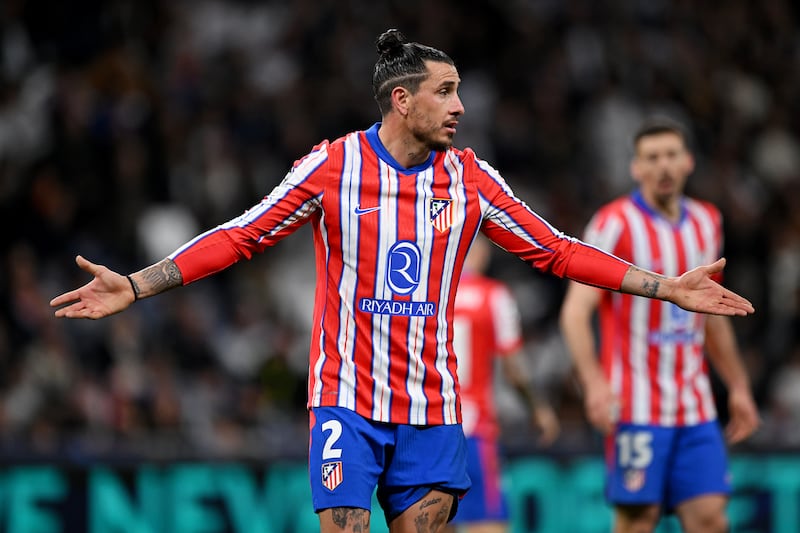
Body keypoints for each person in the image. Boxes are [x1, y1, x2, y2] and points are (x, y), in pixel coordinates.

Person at [50, 31, 755, 533]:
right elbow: (241, 235)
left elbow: (559, 252)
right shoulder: (332, 167)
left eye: (459, 93)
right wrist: (137, 285)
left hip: (432, 408)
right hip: (346, 405)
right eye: (445, 92)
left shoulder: (472, 178)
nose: (459, 107)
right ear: (400, 99)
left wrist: (667, 286)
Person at [558, 116, 760, 533]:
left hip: (695, 406)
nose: (662, 166)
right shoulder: (614, 223)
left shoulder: (708, 221)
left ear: (688, 162)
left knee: (710, 519)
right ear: (636, 168)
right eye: (652, 158)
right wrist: (594, 384)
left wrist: (738, 386)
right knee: (638, 521)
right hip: (635, 406)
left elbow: (714, 316)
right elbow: (575, 313)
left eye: (671, 155)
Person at [445, 235, 560, 533]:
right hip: (473, 430)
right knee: (488, 524)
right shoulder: (493, 296)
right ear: (480, 252)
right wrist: (538, 408)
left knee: (429, 523)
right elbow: (514, 369)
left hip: (424, 429)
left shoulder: (423, 294)